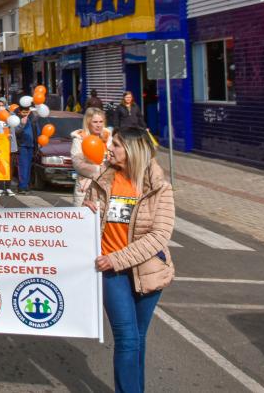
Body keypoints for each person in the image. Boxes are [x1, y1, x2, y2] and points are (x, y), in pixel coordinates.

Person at [84, 127, 174, 393]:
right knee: (126, 338)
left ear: (134, 151)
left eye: (117, 146)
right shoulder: (103, 179)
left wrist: (118, 258)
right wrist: (85, 213)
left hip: (147, 272)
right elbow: (90, 226)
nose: (109, 149)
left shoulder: (160, 188)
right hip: (112, 273)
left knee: (138, 338)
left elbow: (159, 236)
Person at [71, 108, 112, 207]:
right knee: (85, 220)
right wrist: (100, 170)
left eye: (101, 122)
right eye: (95, 122)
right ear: (88, 122)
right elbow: (78, 164)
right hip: (86, 186)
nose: (99, 125)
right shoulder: (79, 139)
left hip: (107, 186)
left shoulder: (109, 138)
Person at [14, 105, 39, 194]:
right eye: (23, 112)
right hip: (22, 146)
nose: (25, 114)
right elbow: (15, 132)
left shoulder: (32, 119)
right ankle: (22, 186)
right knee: (22, 167)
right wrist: (22, 124)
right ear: (19, 112)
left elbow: (37, 132)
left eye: (27, 112)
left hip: (31, 146)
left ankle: (26, 185)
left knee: (28, 166)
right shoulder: (16, 119)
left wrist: (38, 143)